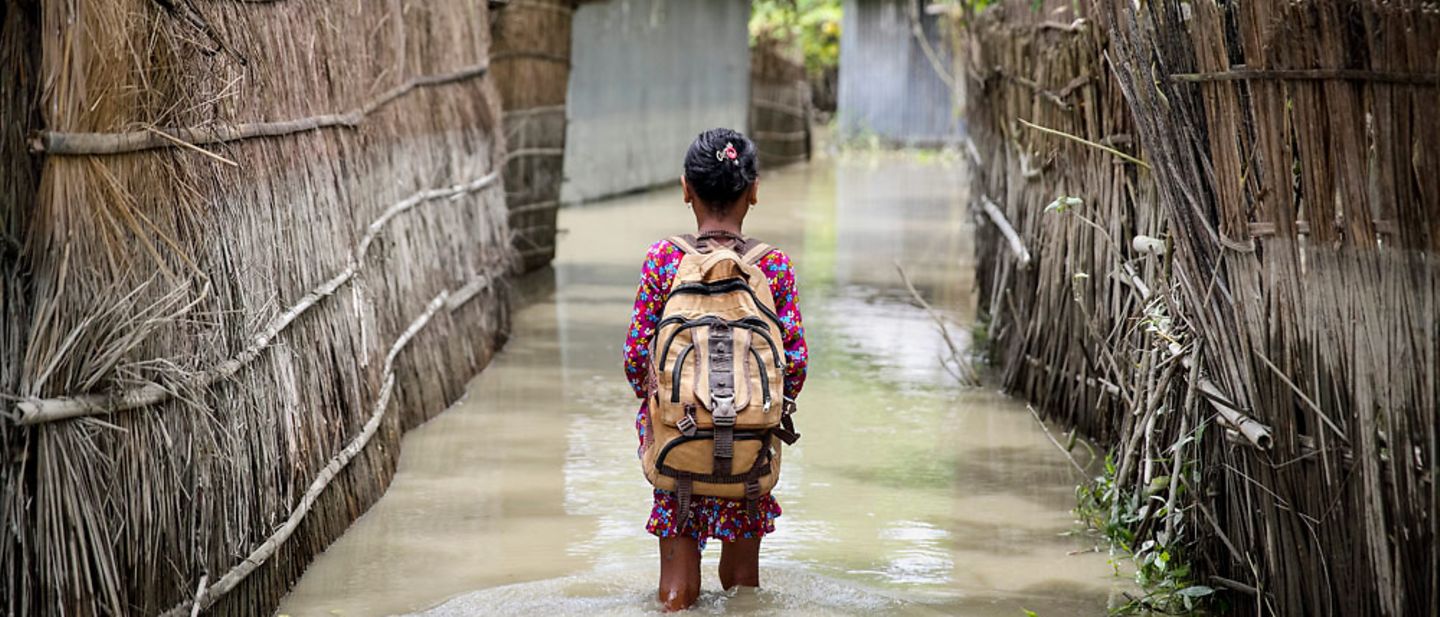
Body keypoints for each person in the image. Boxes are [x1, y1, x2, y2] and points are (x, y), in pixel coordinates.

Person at [622, 128, 808, 611]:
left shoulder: (664, 260)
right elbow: (797, 366)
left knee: (677, 590)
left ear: (686, 188)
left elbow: (636, 359)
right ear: (754, 191)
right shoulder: (774, 267)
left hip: (677, 439)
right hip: (749, 445)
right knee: (743, 586)